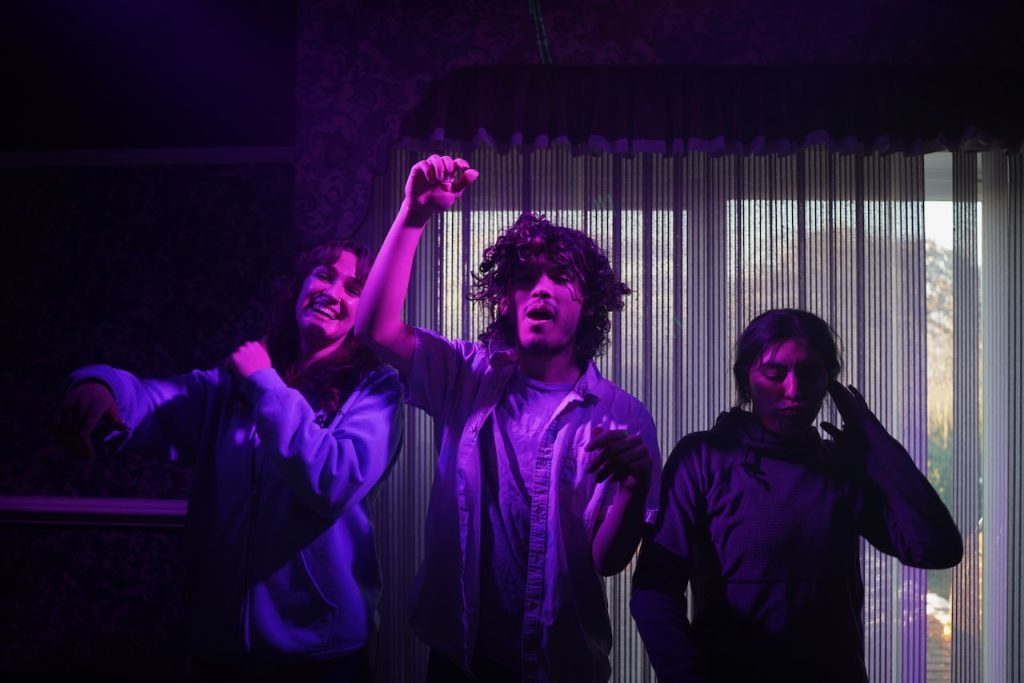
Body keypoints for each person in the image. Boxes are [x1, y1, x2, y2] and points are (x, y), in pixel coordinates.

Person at [355, 155, 662, 683]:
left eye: (560, 277)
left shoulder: (622, 415)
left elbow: (607, 560)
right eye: (525, 278)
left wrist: (634, 489)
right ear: (504, 301)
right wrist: (413, 215)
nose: (541, 288)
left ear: (589, 304)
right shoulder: (465, 374)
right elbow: (375, 329)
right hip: (459, 657)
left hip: (562, 664)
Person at [54, 239, 403, 682]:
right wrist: (101, 384)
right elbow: (159, 400)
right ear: (300, 286)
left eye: (354, 289)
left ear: (368, 310)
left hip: (321, 649)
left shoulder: (376, 389)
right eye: (324, 275)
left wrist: (265, 384)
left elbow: (333, 480)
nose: (333, 293)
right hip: (219, 644)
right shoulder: (233, 382)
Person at [630, 308, 963, 683]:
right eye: (775, 375)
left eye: (810, 374)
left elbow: (937, 548)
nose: (793, 391)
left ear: (829, 383)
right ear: (746, 378)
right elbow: (654, 591)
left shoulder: (839, 466)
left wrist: (875, 444)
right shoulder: (703, 459)